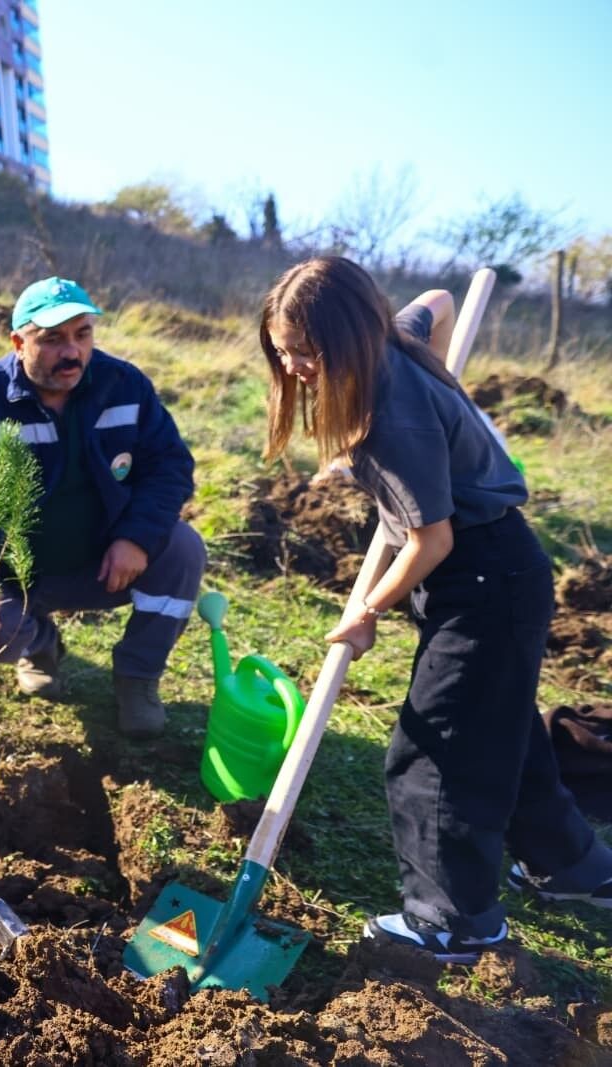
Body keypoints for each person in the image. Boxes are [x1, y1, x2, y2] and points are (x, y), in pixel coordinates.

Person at [259, 257, 612, 963]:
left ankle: (453, 920)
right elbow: (442, 300)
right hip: (501, 571)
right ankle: (573, 865)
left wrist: (368, 611)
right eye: (284, 352)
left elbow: (431, 538)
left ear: (349, 335)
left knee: (437, 751)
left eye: (308, 352)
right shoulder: (394, 339)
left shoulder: (395, 418)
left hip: (479, 578)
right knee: (501, 726)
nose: (296, 367)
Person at [0, 277, 203, 737]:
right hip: (16, 574)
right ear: (18, 342)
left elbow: (170, 466)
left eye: (82, 334)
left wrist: (134, 538)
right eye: (52, 339)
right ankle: (40, 645)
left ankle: (138, 677)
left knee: (182, 550)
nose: (72, 352)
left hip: (105, 561)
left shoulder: (124, 386)